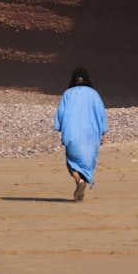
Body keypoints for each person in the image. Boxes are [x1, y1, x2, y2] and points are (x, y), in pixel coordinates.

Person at [53, 67, 108, 201]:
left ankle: (79, 181)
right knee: (87, 162)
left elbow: (60, 113)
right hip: (91, 135)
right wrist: (103, 132)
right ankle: (83, 181)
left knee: (71, 162)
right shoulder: (94, 94)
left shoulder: (67, 94)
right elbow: (101, 113)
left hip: (72, 134)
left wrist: (59, 128)